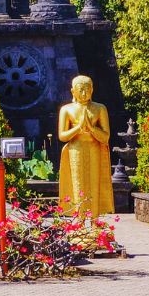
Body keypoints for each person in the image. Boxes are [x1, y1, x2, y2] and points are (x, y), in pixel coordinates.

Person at [58, 75, 114, 215]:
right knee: (78, 186)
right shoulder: (66, 109)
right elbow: (62, 136)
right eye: (81, 90)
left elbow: (106, 136)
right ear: (73, 92)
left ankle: (95, 222)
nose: (84, 94)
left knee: (94, 185)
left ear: (92, 90)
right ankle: (79, 223)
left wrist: (91, 128)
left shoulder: (99, 108)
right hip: (75, 149)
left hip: (94, 148)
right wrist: (79, 127)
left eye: (87, 90)